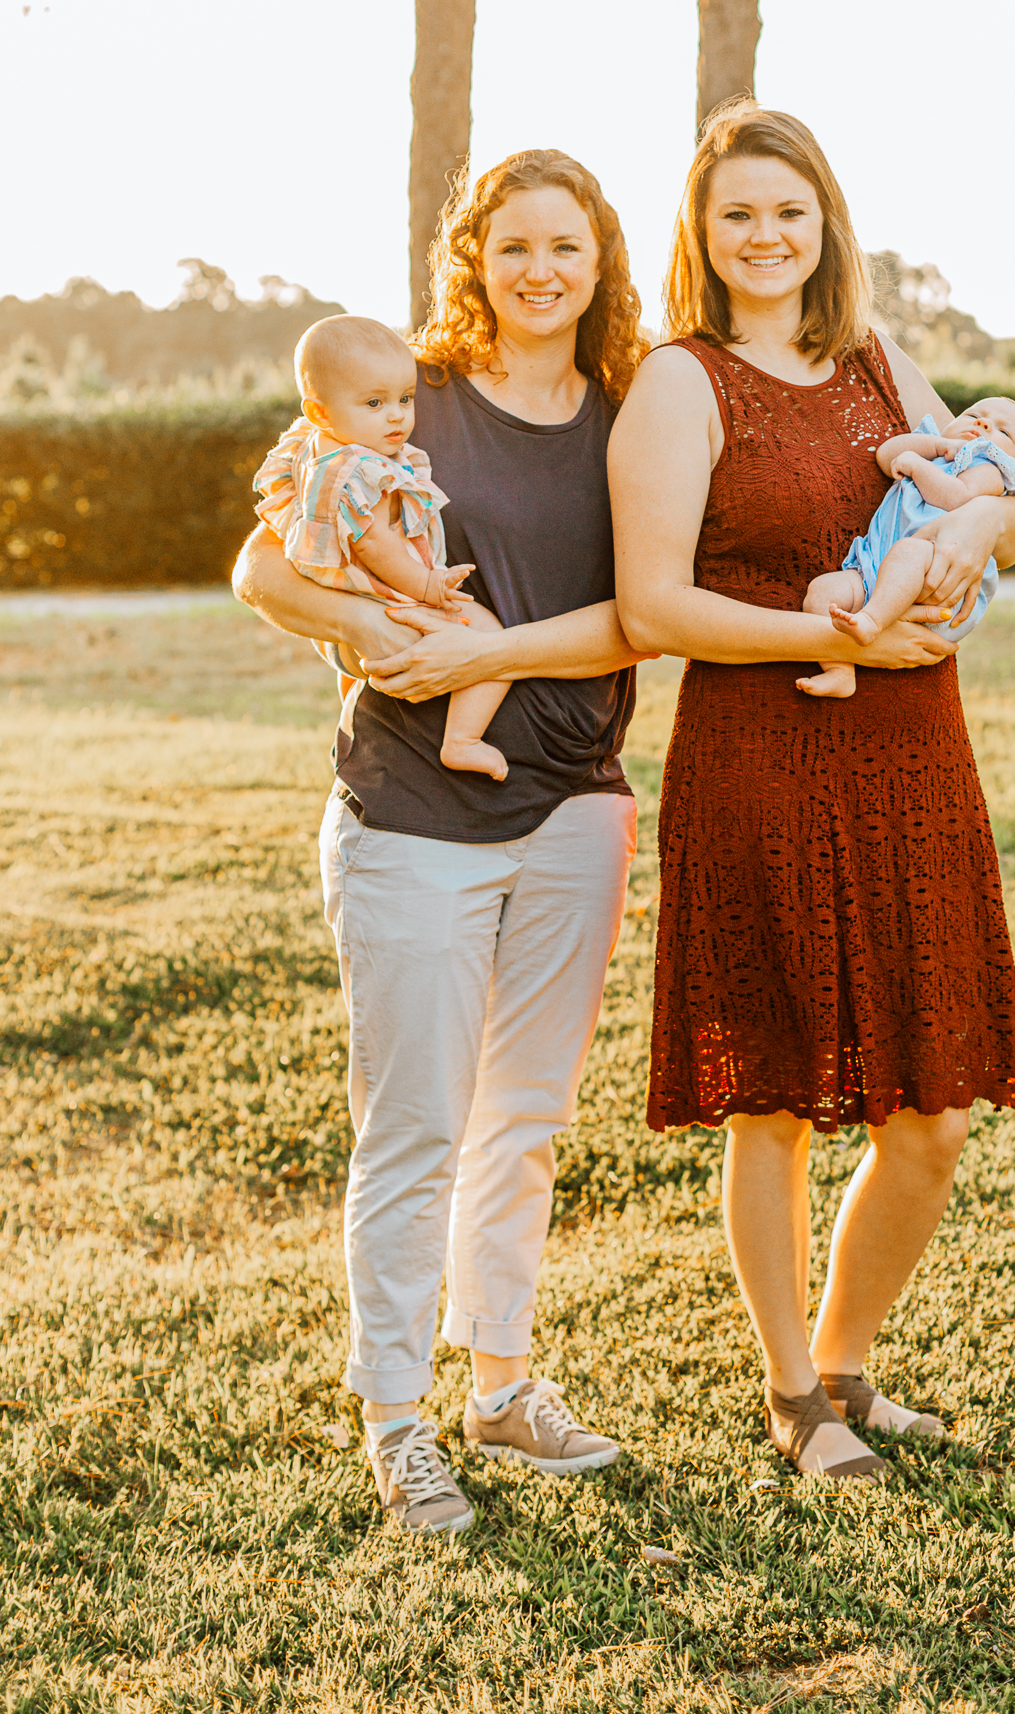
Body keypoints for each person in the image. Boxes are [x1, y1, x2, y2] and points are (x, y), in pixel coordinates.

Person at [610, 103, 1015, 1481]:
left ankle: (848, 1363)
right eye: (738, 214)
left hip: (914, 757)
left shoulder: (872, 358)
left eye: (787, 210)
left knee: (934, 1107)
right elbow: (652, 602)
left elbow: (1002, 499)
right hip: (761, 759)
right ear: (703, 235)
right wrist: (833, 637)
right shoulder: (681, 381)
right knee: (778, 1099)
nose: (766, 235)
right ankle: (793, 1395)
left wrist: (980, 520)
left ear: (824, 222)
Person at [233, 149, 650, 1533]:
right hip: (411, 817)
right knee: (412, 1127)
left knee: (522, 1124)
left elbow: (642, 616)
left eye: (567, 248)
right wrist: (360, 628)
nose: (542, 271)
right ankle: (396, 1417)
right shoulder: (399, 393)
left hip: (575, 804)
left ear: (601, 263)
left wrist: (492, 649)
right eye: (514, 245)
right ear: (475, 253)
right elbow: (260, 562)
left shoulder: (633, 412)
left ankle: (503, 1385)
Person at [252, 313, 511, 777]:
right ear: (320, 412)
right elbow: (375, 545)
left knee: (357, 676)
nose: (396, 415)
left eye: (405, 399)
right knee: (490, 637)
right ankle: (464, 739)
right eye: (374, 403)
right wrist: (429, 585)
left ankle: (354, 705)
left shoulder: (317, 448)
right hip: (389, 593)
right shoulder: (357, 471)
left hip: (353, 595)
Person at [797, 393, 1015, 697]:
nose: (983, 423)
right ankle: (839, 668)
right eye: (973, 415)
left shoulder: (991, 469)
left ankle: (872, 621)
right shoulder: (934, 448)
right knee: (822, 592)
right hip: (873, 572)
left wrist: (917, 465)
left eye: (1004, 432)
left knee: (909, 550)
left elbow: (957, 496)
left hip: (935, 582)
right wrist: (935, 447)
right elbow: (887, 455)